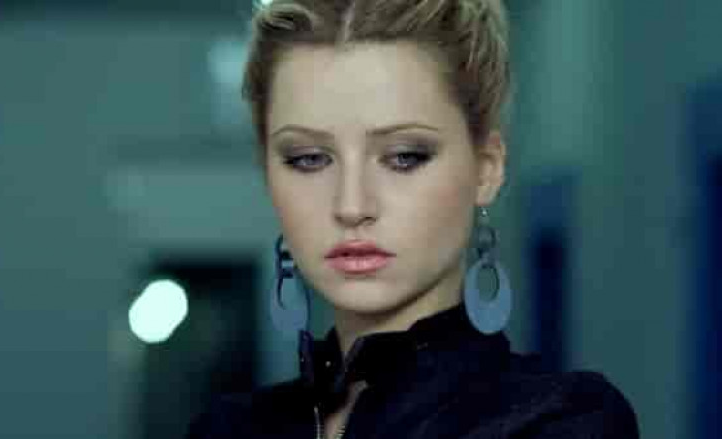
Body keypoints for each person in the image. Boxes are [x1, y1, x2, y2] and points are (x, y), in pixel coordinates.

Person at [187, 0, 640, 437]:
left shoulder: (562, 420)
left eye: (404, 157)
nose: (351, 205)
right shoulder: (226, 428)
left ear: (486, 168)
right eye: (308, 159)